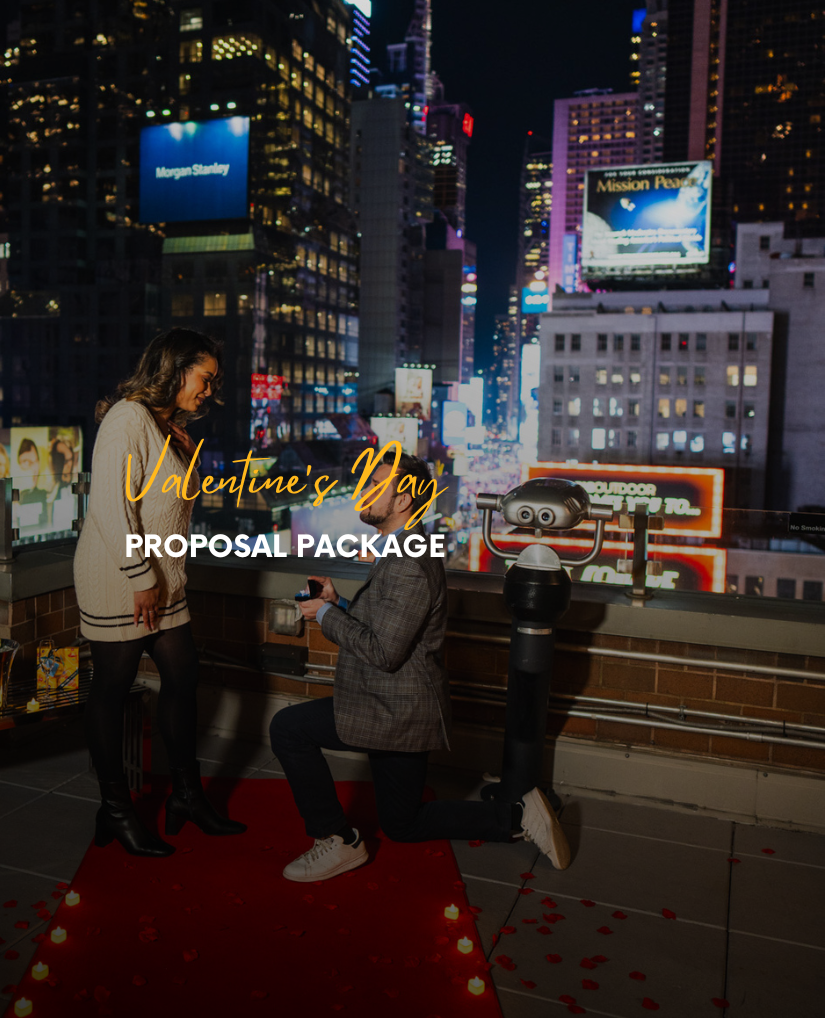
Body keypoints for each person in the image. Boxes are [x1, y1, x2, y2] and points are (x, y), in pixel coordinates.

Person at [269, 454, 571, 882]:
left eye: (375, 485)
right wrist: (337, 604)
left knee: (288, 728)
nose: (363, 492)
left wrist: (323, 615)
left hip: (394, 710)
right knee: (403, 823)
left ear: (402, 500)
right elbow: (391, 628)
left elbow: (384, 652)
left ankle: (336, 839)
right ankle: (518, 817)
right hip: (396, 704)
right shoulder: (402, 547)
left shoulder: (408, 562)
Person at [74, 329, 245, 857]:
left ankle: (187, 797)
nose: (211, 390)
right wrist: (140, 576)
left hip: (164, 581)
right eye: (205, 378)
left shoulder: (167, 425)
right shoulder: (128, 418)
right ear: (175, 368)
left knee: (183, 677)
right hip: (123, 580)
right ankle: (116, 812)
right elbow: (109, 505)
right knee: (112, 689)